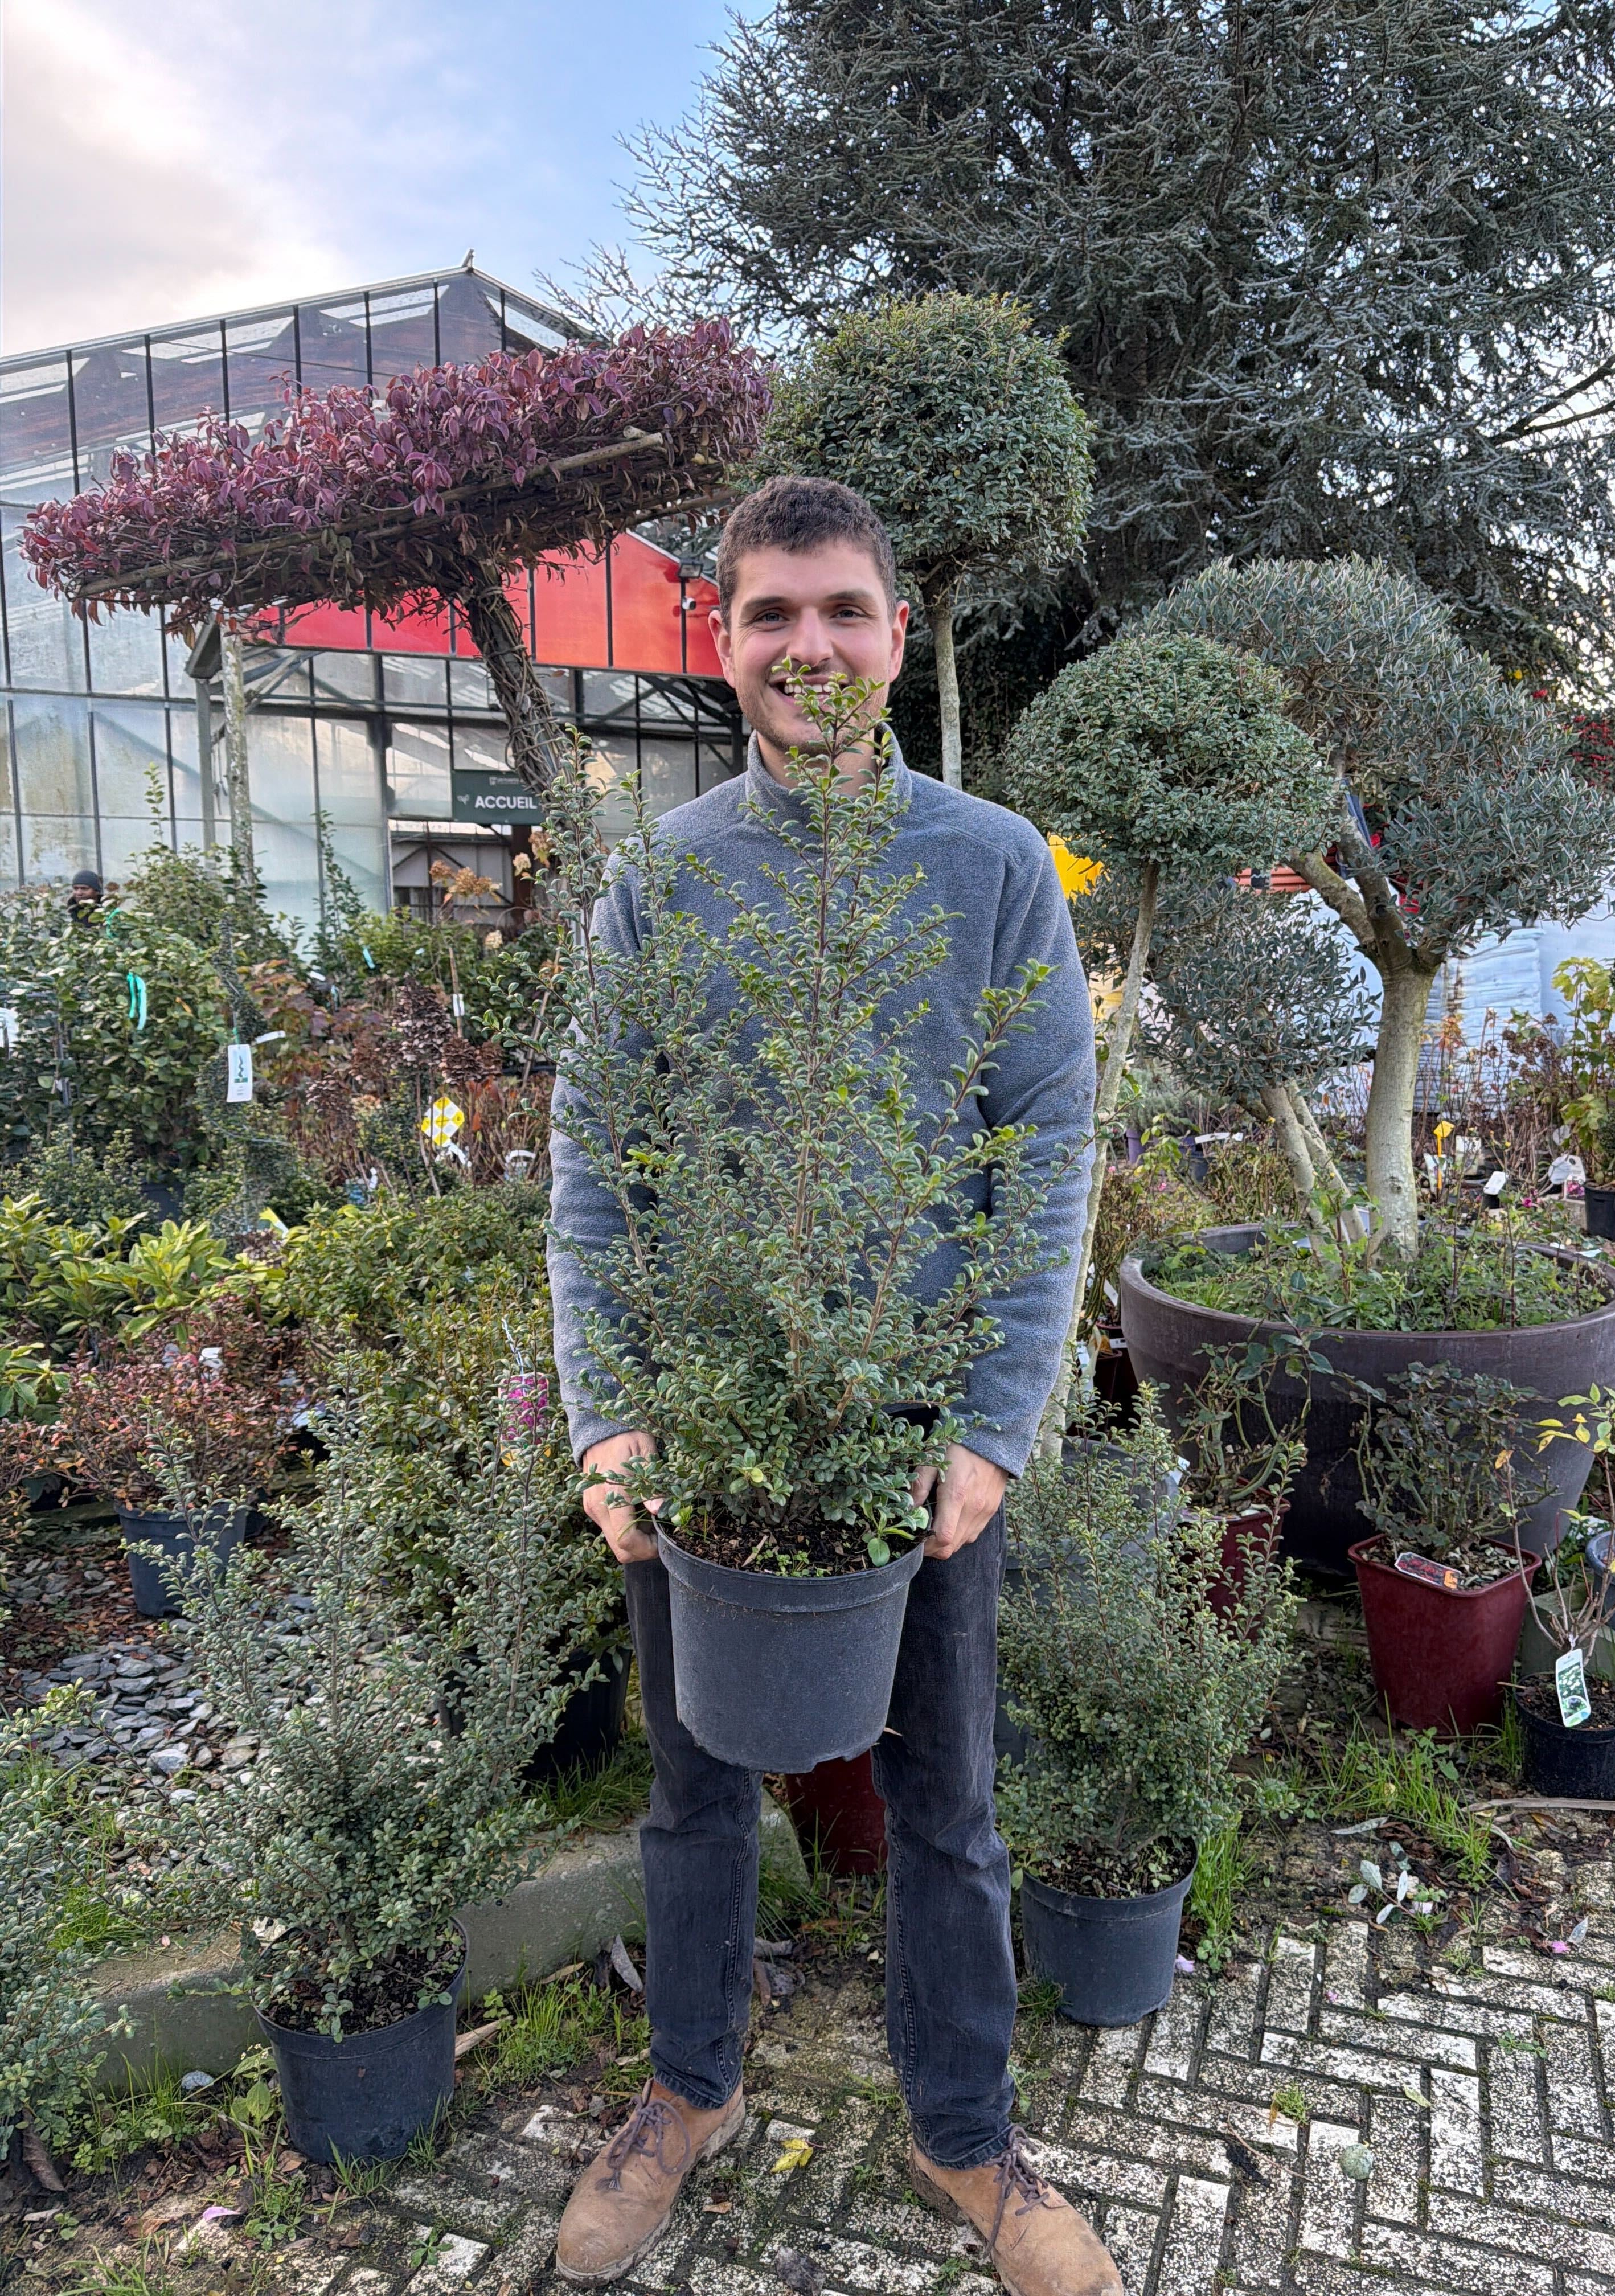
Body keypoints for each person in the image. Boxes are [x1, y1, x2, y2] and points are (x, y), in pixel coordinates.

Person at [547, 477, 1113, 2296]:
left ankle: (965, 2133)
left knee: (948, 1801)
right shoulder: (664, 880)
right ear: (726, 648)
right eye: (772, 615)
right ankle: (688, 2090)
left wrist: (995, 1424)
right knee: (695, 1787)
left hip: (917, 1438)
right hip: (703, 1433)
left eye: (845, 612)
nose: (811, 648)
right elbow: (592, 1156)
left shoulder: (992, 867)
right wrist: (611, 1415)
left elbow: (1048, 1147)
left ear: (891, 633)